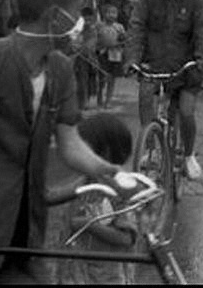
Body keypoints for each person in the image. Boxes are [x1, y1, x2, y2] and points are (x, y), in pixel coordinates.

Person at [0, 0, 127, 283]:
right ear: (54, 17)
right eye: (75, 13)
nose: (81, 24)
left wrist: (103, 169)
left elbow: (70, 142)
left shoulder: (60, 70)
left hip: (27, 229)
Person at [125, 0, 203, 181]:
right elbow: (136, 28)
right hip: (155, 67)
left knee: (185, 111)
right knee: (146, 97)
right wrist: (132, 59)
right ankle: (150, 148)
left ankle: (187, 155)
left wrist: (201, 60)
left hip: (187, 69)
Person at [57, 114, 137, 284]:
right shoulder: (85, 182)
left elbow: (126, 238)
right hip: (78, 272)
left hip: (107, 277)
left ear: (105, 152)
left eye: (85, 149)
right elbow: (57, 197)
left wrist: (89, 224)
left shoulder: (119, 189)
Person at [96, 4, 126, 109]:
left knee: (112, 78)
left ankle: (108, 100)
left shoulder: (119, 27)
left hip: (115, 55)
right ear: (104, 14)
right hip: (102, 53)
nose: (111, 15)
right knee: (101, 78)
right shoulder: (99, 26)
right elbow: (95, 39)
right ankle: (99, 97)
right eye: (109, 12)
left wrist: (122, 40)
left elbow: (124, 41)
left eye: (114, 13)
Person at [74, 6, 100, 111]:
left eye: (90, 19)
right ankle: (80, 102)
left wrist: (85, 50)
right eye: (85, 19)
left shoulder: (93, 30)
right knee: (79, 81)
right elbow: (74, 42)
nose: (88, 22)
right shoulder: (77, 30)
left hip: (89, 59)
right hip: (78, 59)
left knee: (88, 81)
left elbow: (91, 44)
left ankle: (86, 101)